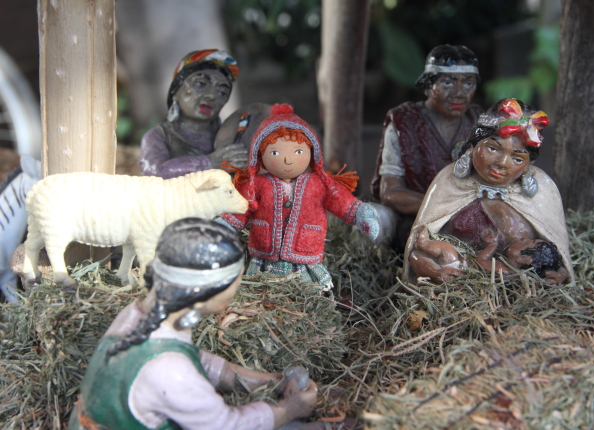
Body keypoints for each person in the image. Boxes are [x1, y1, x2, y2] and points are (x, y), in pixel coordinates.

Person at [68, 218, 318, 430]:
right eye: (235, 283)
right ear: (212, 292)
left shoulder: (136, 314)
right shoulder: (169, 370)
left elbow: (194, 359)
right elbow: (226, 425)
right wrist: (288, 410)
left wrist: (265, 381)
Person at [403, 98, 574, 285]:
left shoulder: (543, 190)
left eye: (517, 159)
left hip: (511, 288)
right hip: (456, 276)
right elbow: (420, 241)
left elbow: (557, 255)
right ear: (473, 147)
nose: (502, 163)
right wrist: (434, 271)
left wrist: (556, 274)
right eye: (492, 148)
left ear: (527, 166)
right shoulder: (449, 182)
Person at [218, 104, 379, 292]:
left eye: (298, 152)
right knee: (260, 290)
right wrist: (225, 225)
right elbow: (241, 206)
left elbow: (341, 201)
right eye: (275, 153)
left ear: (312, 152)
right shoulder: (257, 184)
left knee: (307, 291)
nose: (287, 160)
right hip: (266, 255)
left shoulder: (319, 184)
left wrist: (360, 214)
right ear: (260, 155)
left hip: (304, 254)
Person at [371, 45, 484, 248]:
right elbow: (390, 192)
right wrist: (445, 208)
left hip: (470, 220)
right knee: (376, 217)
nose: (459, 93)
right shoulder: (404, 122)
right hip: (415, 217)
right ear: (429, 84)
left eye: (468, 83)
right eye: (448, 83)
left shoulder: (479, 122)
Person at [139, 50, 269, 179]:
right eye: (200, 84)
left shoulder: (229, 137)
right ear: (176, 90)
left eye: (222, 92)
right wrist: (210, 162)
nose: (211, 95)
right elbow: (154, 171)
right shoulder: (159, 136)